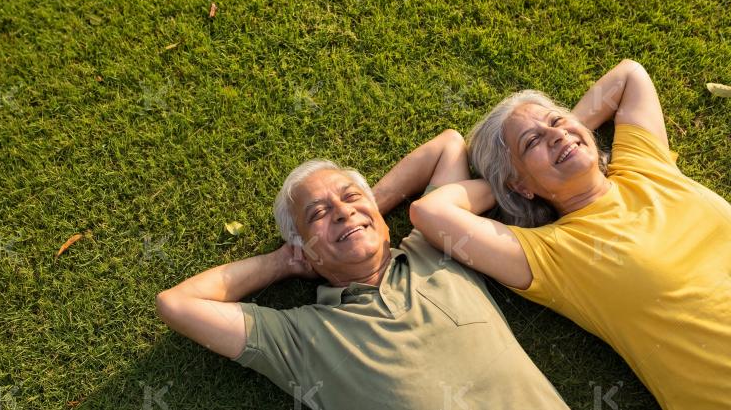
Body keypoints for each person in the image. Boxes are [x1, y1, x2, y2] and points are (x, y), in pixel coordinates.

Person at [156, 130, 570, 410]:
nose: (339, 211)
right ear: (304, 249)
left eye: (350, 196)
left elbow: (448, 145)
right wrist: (284, 260)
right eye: (318, 213)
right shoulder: (299, 338)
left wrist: (364, 210)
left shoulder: (436, 248)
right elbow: (177, 303)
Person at [409, 59, 731, 410]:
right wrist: (507, 186)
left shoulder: (645, 166)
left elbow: (628, 76)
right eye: (533, 142)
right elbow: (432, 212)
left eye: (557, 121)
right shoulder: (553, 253)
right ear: (520, 185)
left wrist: (565, 137)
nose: (556, 134)